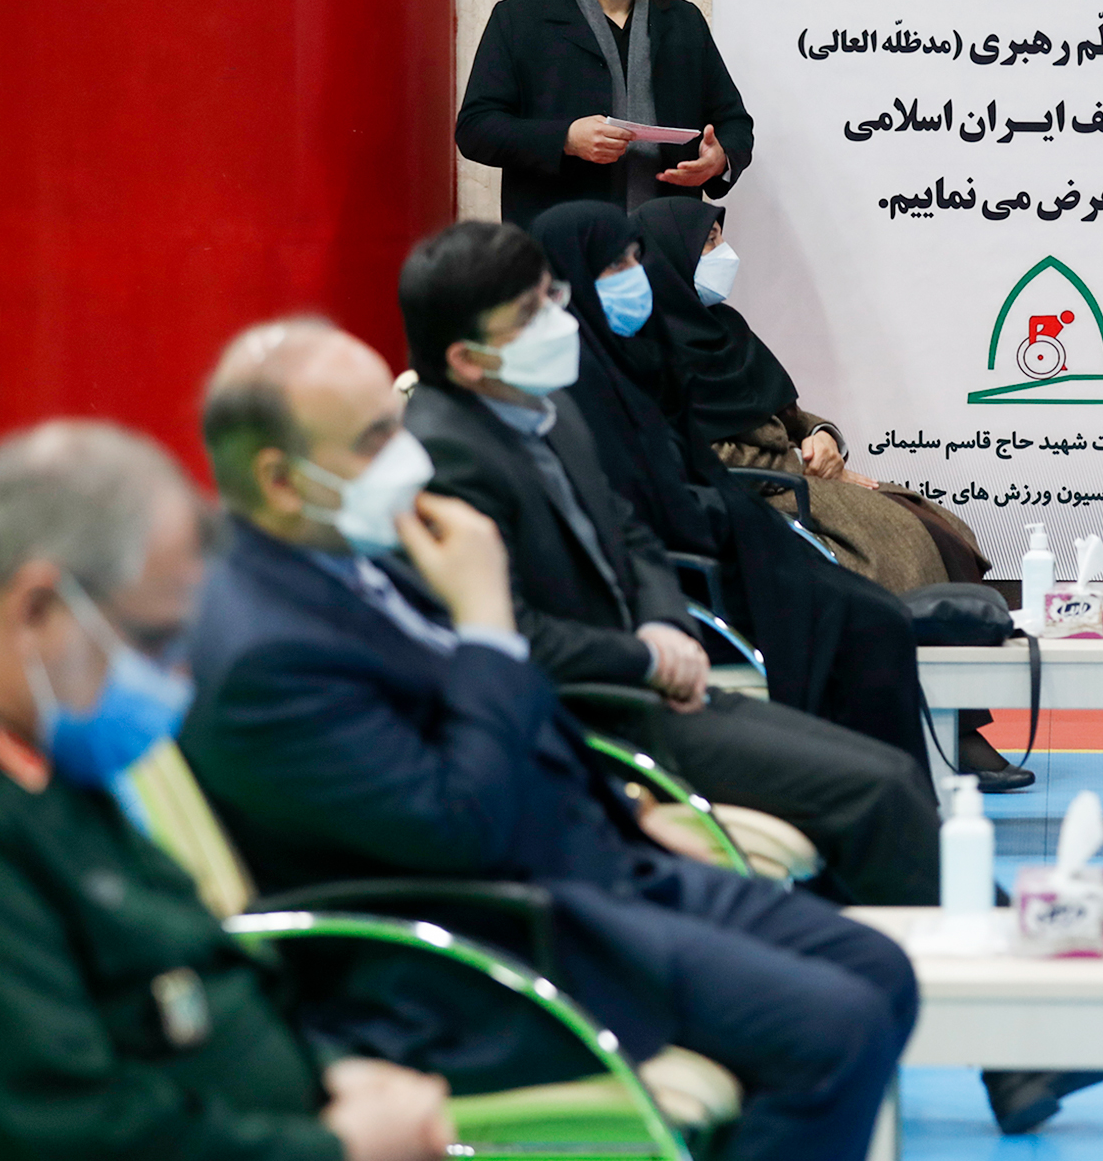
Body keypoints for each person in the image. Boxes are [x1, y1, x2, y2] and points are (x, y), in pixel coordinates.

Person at [183, 321, 917, 1161]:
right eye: (375, 437)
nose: (407, 454)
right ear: (280, 479)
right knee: (835, 1029)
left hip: (590, 862)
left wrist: (626, 809)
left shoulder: (354, 554)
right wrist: (488, 623)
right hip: (491, 943)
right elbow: (458, 824)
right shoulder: (262, 650)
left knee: (880, 969)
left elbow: (507, 718)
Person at [394, 226, 944, 893]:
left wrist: (662, 621)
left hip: (653, 680)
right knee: (876, 789)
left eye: (551, 296)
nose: (558, 320)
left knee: (888, 770)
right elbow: (507, 632)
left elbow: (629, 531)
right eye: (530, 313)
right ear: (466, 359)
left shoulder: (547, 407)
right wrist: (647, 656)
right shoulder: (443, 459)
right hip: (585, 714)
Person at [0, 421, 452, 1161]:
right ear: (38, 607)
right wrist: (336, 1148)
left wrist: (327, 1075)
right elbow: (65, 1129)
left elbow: (191, 966)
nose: (176, 678)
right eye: (151, 641)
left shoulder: (50, 767)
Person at [624, 197, 1029, 790]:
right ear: (672, 256)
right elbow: (709, 456)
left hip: (800, 483)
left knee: (935, 527)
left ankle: (957, 723)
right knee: (900, 551)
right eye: (707, 243)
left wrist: (822, 437)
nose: (722, 254)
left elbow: (789, 411)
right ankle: (932, 731)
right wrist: (804, 466)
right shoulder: (655, 351)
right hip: (758, 501)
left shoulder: (725, 329)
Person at [456, 0, 754, 229]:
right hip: (559, 240)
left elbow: (734, 122)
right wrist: (566, 139)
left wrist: (719, 159)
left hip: (669, 238)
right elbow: (476, 129)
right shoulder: (521, 18)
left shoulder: (681, 19)